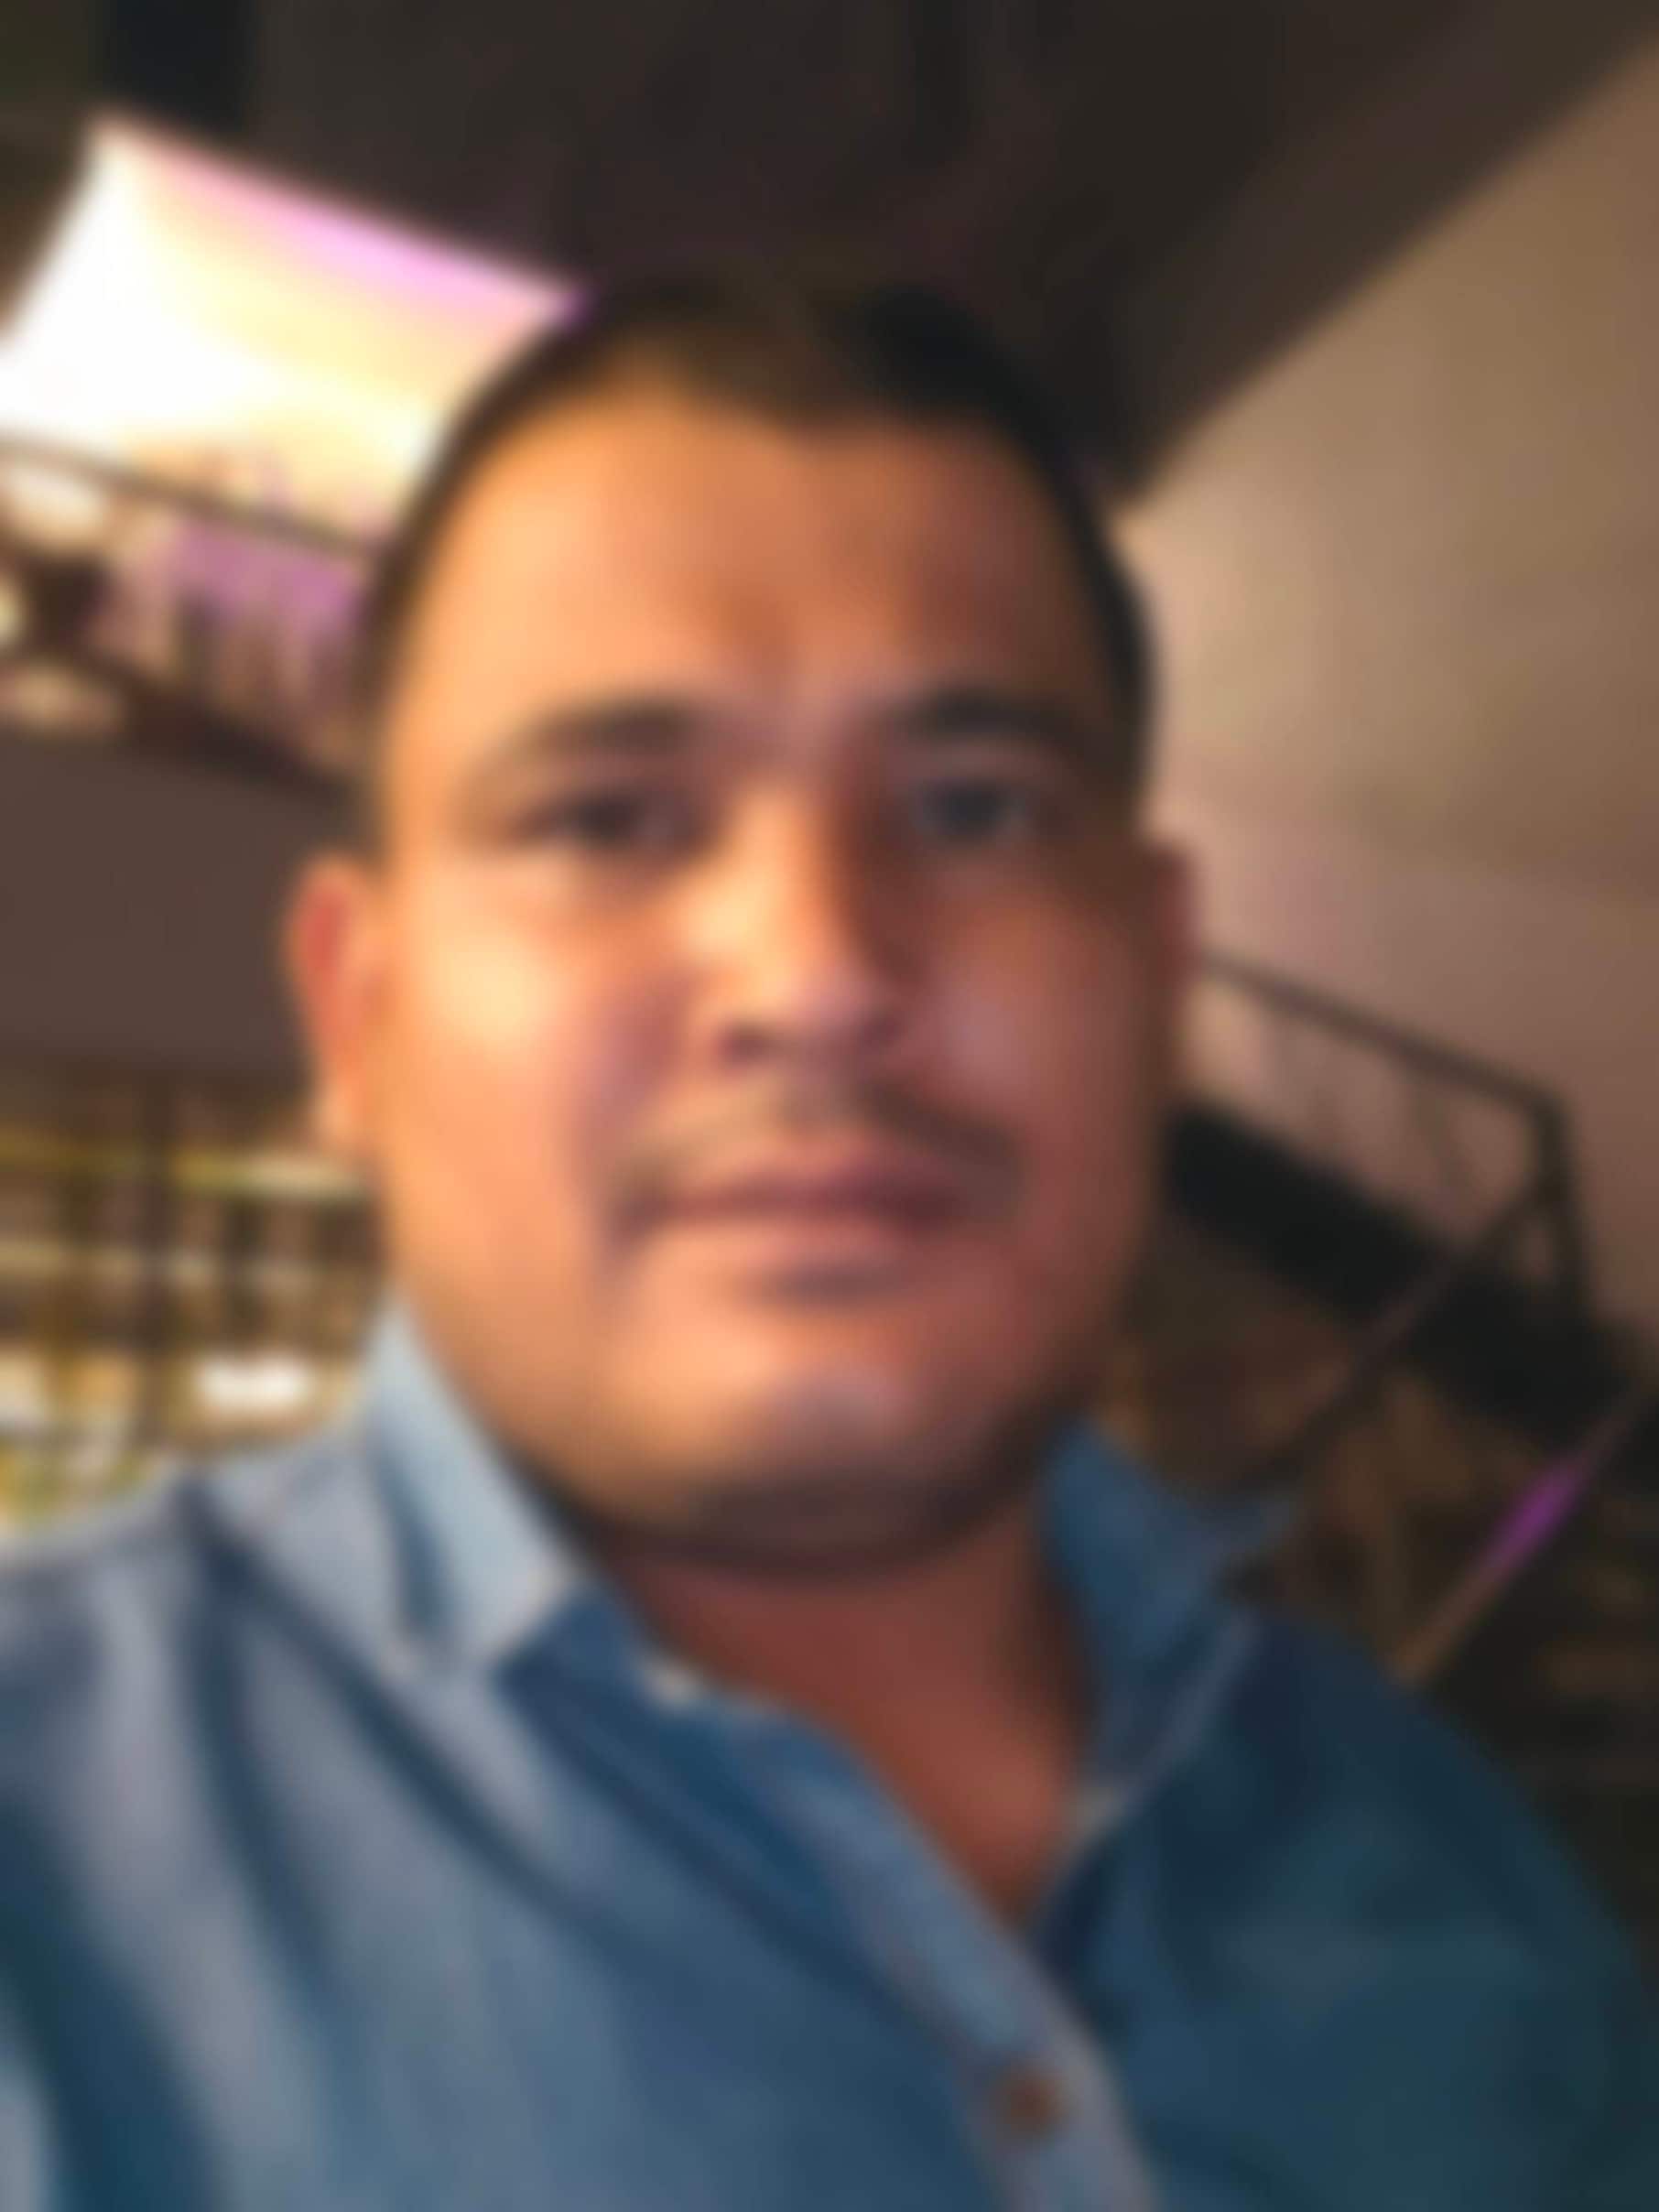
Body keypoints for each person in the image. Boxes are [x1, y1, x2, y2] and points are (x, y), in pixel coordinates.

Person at [2, 276, 1654, 2212]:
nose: (816, 973)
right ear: (356, 1014)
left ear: (1156, 978)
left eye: (976, 807)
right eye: (611, 817)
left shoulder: (1447, 1860)